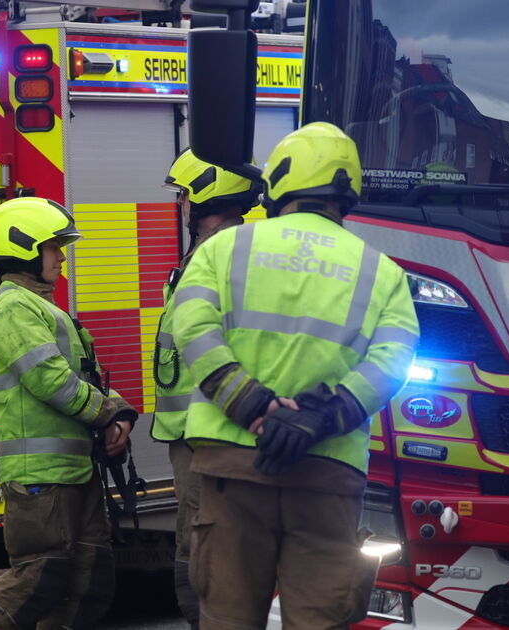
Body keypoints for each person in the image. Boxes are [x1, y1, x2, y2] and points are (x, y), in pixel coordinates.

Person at [172, 123, 419, 630]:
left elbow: (191, 329)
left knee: (227, 616)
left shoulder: (224, 249)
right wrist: (320, 417)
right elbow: (395, 362)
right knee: (320, 619)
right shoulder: (381, 271)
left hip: (231, 466)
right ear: (349, 189)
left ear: (279, 180)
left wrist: (254, 407)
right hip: (327, 472)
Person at [0, 197, 139, 630]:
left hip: (73, 471)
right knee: (39, 577)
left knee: (88, 580)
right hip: (42, 476)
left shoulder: (40, 306)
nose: (61, 257)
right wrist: (107, 416)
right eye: (53, 247)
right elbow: (52, 382)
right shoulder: (13, 308)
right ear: (24, 249)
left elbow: (83, 377)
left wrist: (121, 412)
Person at [151, 149, 261, 629]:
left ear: (207, 197)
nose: (179, 204)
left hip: (210, 431)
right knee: (195, 542)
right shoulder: (213, 252)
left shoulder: (224, 254)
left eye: (184, 195)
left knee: (204, 546)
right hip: (195, 430)